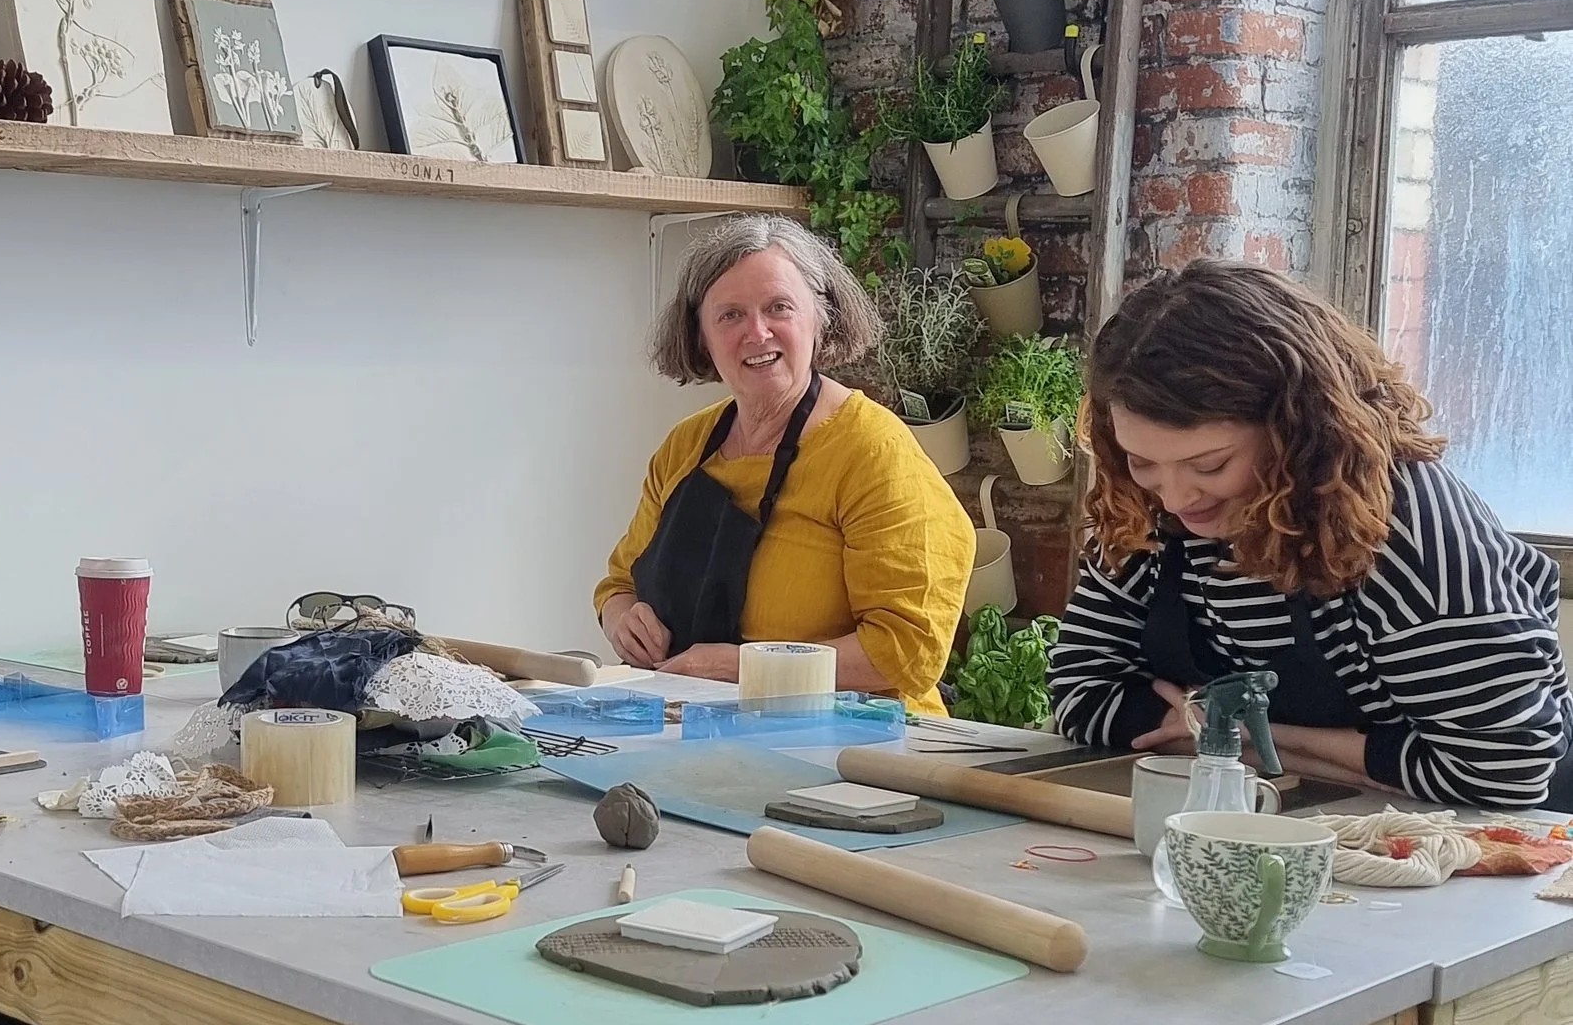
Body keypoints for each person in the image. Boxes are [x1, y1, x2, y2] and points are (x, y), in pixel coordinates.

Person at [1049, 258, 1573, 808]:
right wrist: (1354, 757)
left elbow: (1503, 770)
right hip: (1289, 822)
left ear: (1297, 431)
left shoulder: (1406, 534)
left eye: (1210, 466)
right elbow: (1083, 695)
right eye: (1142, 461)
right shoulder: (1144, 509)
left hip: (1491, 851)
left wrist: (1238, 734)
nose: (1176, 499)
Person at [595, 218, 976, 710]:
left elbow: (907, 652)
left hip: (858, 752)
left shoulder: (873, 451)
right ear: (700, 336)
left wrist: (744, 668)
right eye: (730, 315)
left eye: (779, 307)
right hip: (699, 727)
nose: (757, 332)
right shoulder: (687, 446)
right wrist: (623, 619)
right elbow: (618, 584)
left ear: (822, 320)